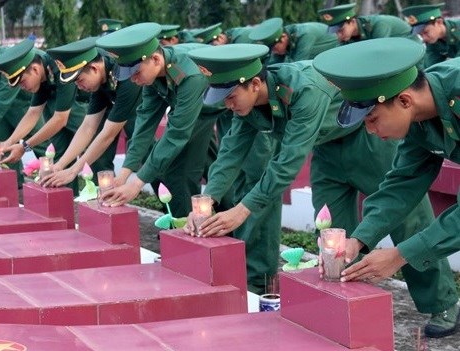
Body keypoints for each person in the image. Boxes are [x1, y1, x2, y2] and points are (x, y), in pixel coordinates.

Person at [186, 42, 457, 319]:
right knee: (332, 231)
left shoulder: (305, 90)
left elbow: (288, 161)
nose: (227, 104)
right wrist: (360, 240)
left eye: (230, 96)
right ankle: (350, 305)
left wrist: (399, 255)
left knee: (409, 220)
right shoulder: (412, 117)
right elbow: (231, 149)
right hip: (327, 149)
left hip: (367, 148)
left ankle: (440, 303)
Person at [313, 37, 460, 338]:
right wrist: (359, 239)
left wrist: (399, 255)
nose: (369, 130)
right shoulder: (420, 116)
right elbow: (401, 185)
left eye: (372, 119)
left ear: (404, 100)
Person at [96, 22, 220, 218]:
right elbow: (144, 125)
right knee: (211, 167)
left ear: (155, 58)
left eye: (136, 73)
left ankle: (195, 228)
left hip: (233, 109)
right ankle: (193, 226)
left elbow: (177, 134)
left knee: (184, 171)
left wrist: (137, 184)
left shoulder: (190, 74)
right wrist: (124, 175)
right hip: (197, 111)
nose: (134, 80)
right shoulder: (153, 75)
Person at [0, 39, 90, 191]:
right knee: (60, 156)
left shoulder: (60, 67)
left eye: (22, 82)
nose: (22, 87)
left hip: (82, 109)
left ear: (35, 70)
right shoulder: (40, 75)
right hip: (60, 110)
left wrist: (24, 146)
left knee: (93, 158)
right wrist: (7, 143)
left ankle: (101, 200)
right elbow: (33, 113)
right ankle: (69, 200)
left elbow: (60, 119)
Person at [41, 36, 142, 188]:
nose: (79, 87)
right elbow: (88, 127)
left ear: (94, 68)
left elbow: (109, 133)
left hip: (158, 108)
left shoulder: (125, 72)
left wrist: (74, 170)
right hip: (135, 109)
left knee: (152, 159)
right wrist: (60, 166)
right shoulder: (101, 77)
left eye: (80, 80)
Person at [249, 17, 338, 64]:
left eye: (274, 48)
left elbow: (298, 66)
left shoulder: (304, 35)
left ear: (283, 38)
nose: (274, 52)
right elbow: (274, 63)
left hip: (335, 54)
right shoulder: (287, 34)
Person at [318, 2, 411, 44]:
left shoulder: (379, 25)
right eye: (336, 32)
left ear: (352, 22)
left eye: (341, 30)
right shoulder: (347, 37)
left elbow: (379, 55)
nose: (339, 36)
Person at [402, 3, 460, 67]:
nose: (423, 38)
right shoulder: (433, 42)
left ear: (439, 22)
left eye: (426, 32)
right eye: (420, 35)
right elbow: (430, 67)